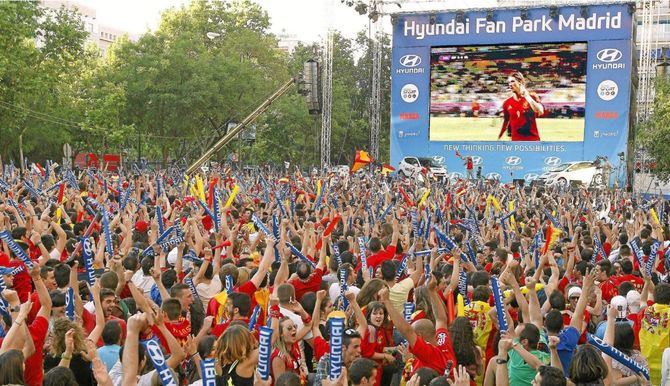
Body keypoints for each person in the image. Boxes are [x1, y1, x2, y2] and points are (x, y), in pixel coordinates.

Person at [497, 71, 544, 141]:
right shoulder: (507, 103)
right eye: (509, 82)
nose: (510, 84)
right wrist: (499, 138)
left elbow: (540, 111)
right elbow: (506, 122)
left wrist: (527, 96)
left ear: (520, 82)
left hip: (533, 141)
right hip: (516, 144)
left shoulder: (532, 96)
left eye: (512, 81)